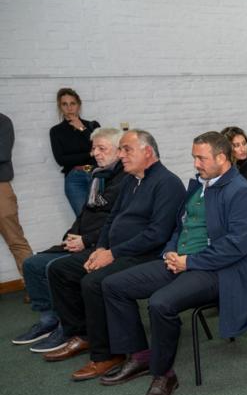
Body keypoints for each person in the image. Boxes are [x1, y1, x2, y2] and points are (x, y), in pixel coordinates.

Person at [100, 132, 247, 395]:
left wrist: (189, 262)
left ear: (222, 159)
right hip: (183, 262)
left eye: (201, 158)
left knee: (160, 303)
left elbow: (235, 247)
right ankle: (142, 356)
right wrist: (170, 250)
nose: (196, 164)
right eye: (194, 157)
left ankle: (163, 374)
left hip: (220, 272)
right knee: (113, 285)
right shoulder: (199, 186)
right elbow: (180, 227)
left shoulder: (242, 192)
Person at [43, 130, 185, 381]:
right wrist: (100, 248)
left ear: (147, 152)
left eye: (126, 149)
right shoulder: (131, 179)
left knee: (94, 282)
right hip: (115, 251)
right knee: (60, 269)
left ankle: (109, 354)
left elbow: (157, 234)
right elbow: (112, 219)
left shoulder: (167, 183)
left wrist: (112, 253)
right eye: (120, 149)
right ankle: (86, 335)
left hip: (146, 255)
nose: (121, 155)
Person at [13, 127, 127, 351]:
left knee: (55, 268)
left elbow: (119, 223)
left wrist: (86, 240)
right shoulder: (97, 176)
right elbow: (84, 213)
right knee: (32, 264)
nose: (95, 153)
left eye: (102, 148)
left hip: (101, 244)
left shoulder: (125, 180)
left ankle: (68, 327)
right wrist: (70, 236)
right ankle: (49, 320)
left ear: (118, 151)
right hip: (83, 239)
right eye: (94, 148)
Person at [49, 88, 101, 216]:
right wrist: (88, 154)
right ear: (60, 107)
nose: (69, 108)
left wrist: (82, 129)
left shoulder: (92, 126)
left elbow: (100, 148)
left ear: (79, 105)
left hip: (94, 173)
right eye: (64, 104)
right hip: (73, 178)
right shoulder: (56, 131)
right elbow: (61, 160)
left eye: (72, 103)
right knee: (83, 219)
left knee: (101, 217)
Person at [0, 112, 33, 287]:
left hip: (0, 187)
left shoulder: (3, 121)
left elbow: (2, 154)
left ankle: (35, 288)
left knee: (15, 240)